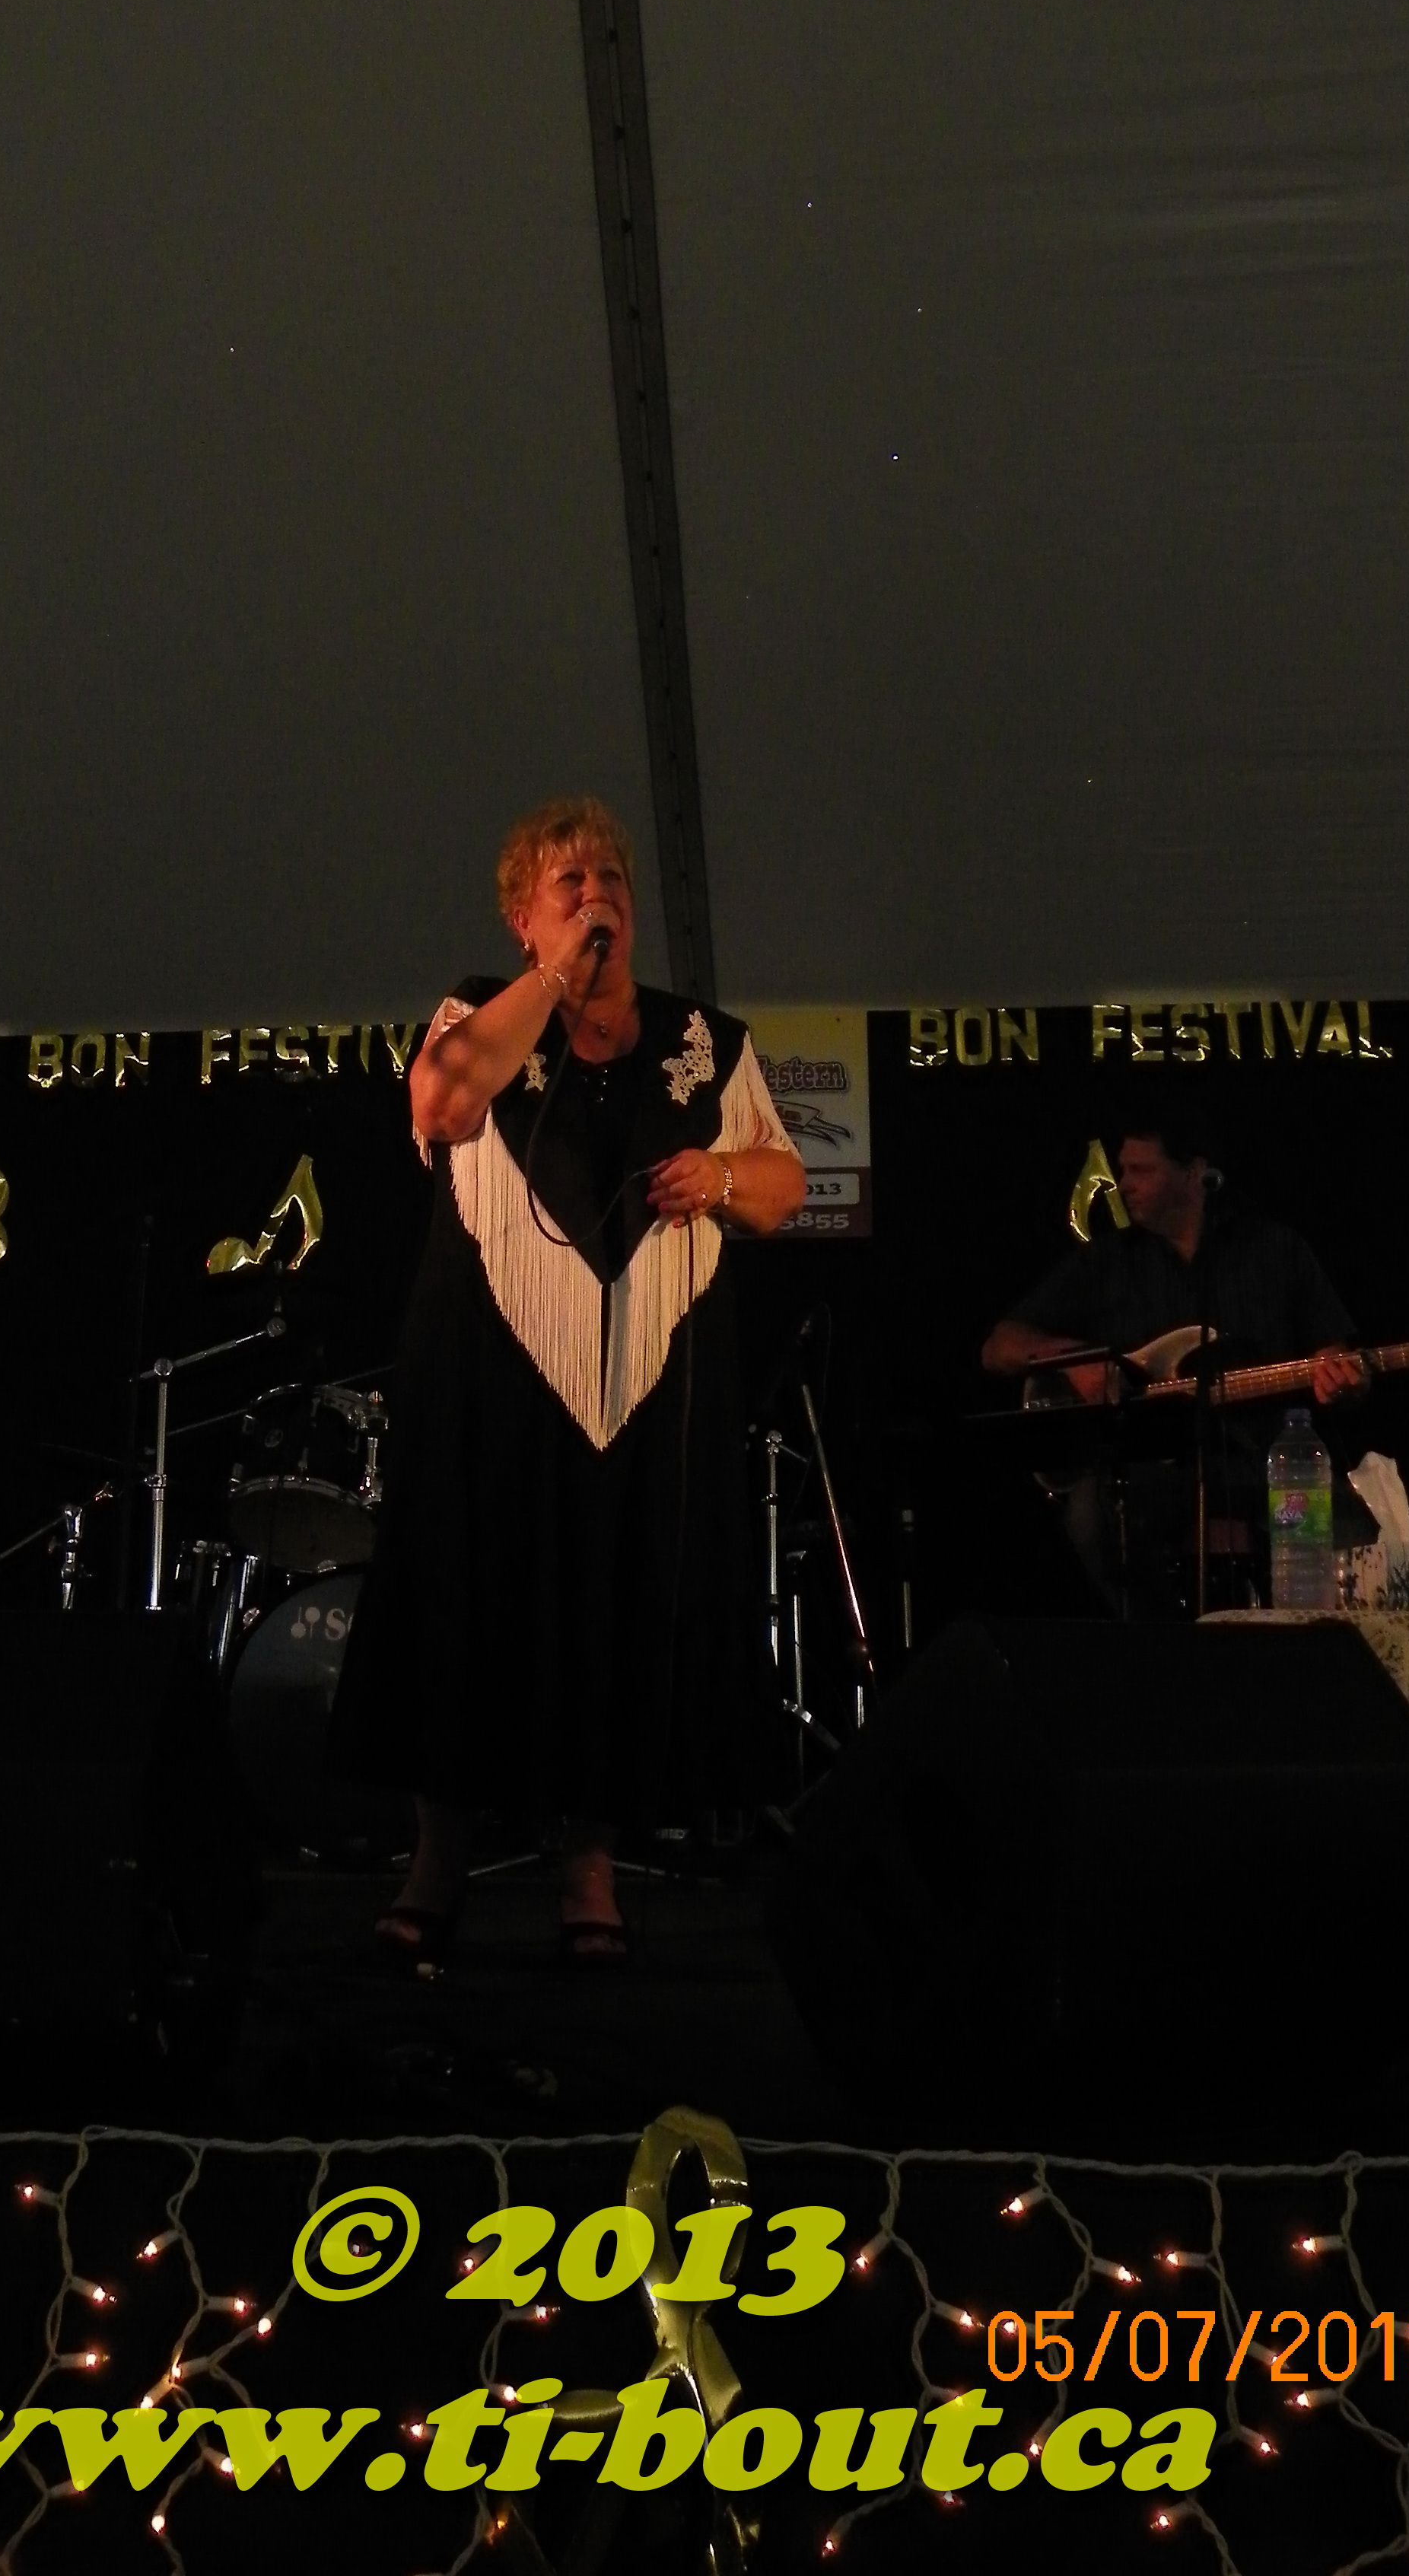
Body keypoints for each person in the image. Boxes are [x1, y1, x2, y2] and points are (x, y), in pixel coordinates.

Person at [326, 798, 805, 1963]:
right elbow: (443, 1103)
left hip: (642, 1372)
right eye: (570, 884)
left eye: (612, 881)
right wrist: (551, 983)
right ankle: (437, 1859)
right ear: (522, 918)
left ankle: (591, 1869)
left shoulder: (704, 1042)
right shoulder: (479, 1012)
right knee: (466, 1591)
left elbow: (782, 1183)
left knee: (616, 1597)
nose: (599, 897)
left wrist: (720, 1177)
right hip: (487, 1364)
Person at [980, 1117, 1364, 1612]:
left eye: (1142, 1171)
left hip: (1267, 1465)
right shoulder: (1108, 1262)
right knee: (1092, 1514)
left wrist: (1341, 1380)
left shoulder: (1276, 1249)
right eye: (1124, 1170)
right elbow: (998, 1347)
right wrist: (1074, 1361)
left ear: (1194, 1172)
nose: (1124, 1185)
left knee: (1348, 1524)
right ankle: (1161, 1639)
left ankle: (1305, 1643)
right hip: (1150, 1475)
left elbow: (1334, 1355)